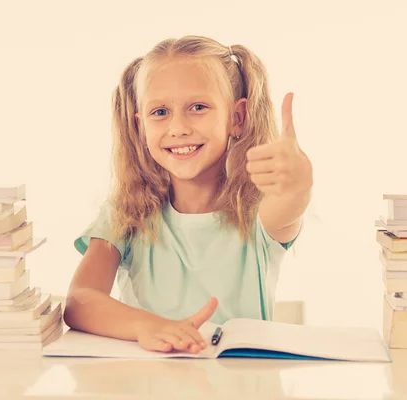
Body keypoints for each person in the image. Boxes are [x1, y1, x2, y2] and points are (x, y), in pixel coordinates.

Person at [63, 35, 313, 354]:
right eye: (160, 112)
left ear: (237, 118)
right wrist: (150, 327)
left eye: (198, 107)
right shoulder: (125, 213)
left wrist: (299, 184)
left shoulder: (258, 211)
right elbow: (80, 300)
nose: (178, 127)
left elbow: (289, 205)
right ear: (140, 128)